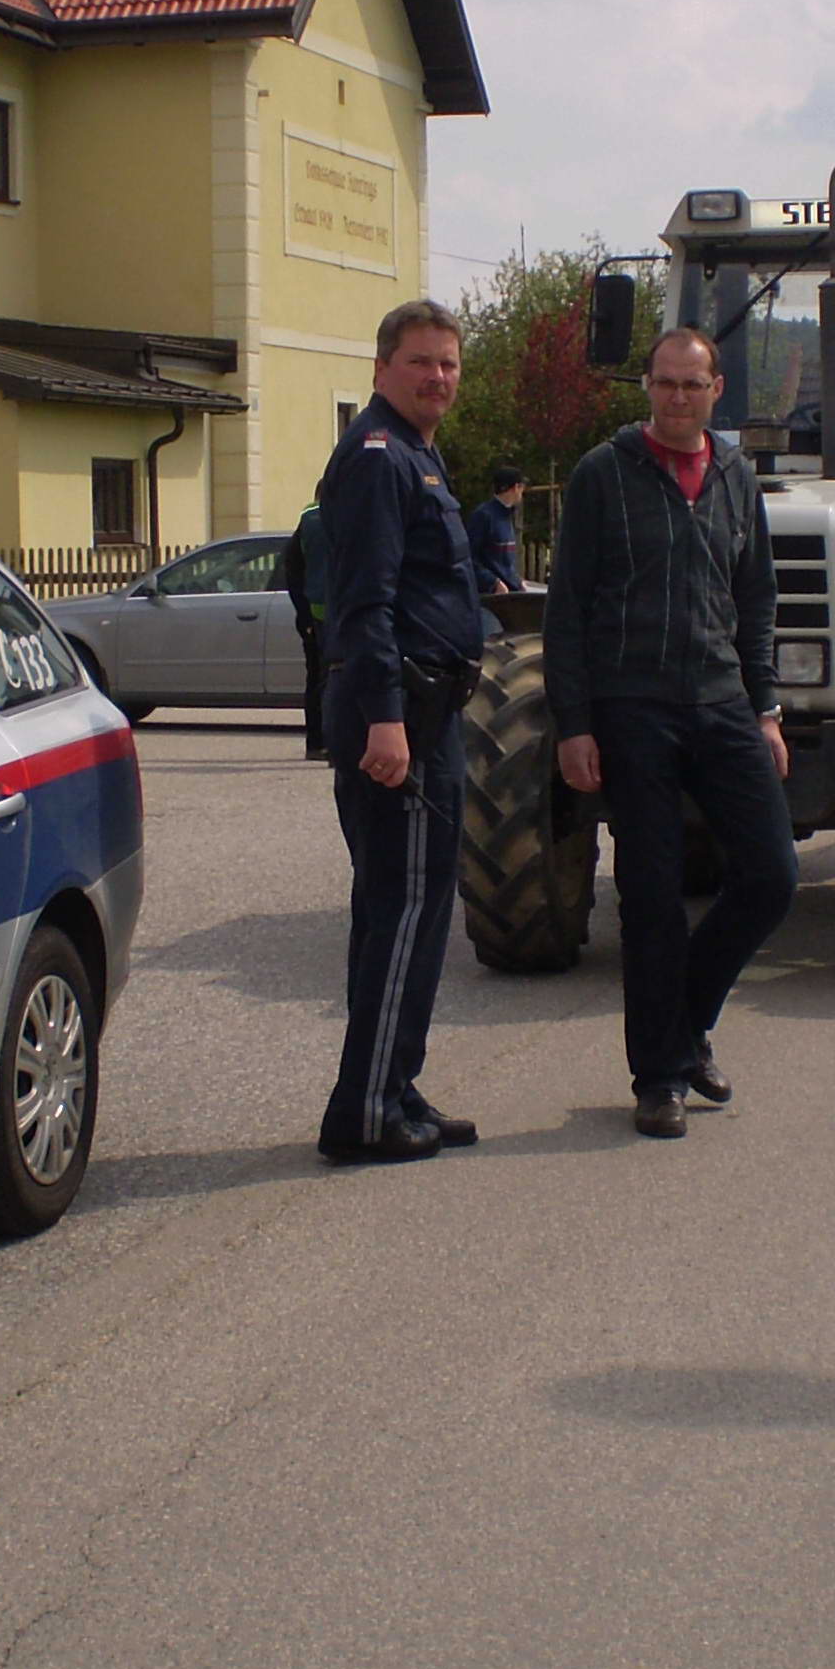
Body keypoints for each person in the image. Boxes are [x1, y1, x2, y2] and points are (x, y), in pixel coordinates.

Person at [546, 326, 798, 1139]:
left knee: (771, 873)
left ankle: (685, 1024)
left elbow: (755, 599)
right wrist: (574, 724)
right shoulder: (602, 476)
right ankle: (658, 1078)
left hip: (721, 701)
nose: (678, 397)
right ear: (647, 388)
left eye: (693, 385)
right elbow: (567, 612)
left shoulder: (734, 476)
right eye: (665, 384)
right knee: (651, 897)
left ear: (716, 390)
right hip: (633, 706)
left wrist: (765, 708)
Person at [312, 301, 484, 1164]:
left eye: (449, 364)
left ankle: (392, 1084)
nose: (438, 378)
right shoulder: (380, 459)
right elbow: (365, 605)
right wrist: (386, 720)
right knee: (405, 912)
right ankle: (367, 1110)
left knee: (403, 912)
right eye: (421, 362)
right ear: (383, 367)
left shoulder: (416, 451)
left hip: (427, 713)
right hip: (401, 718)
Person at [278, 500, 329, 760]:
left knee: (317, 679)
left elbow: (292, 569)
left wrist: (304, 614)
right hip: (343, 614)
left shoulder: (307, 522)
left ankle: (317, 743)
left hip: (314, 613)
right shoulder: (349, 514)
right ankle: (335, 742)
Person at [467, 466, 527, 599]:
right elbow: (469, 558)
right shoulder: (483, 516)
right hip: (492, 597)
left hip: (510, 593)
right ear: (516, 487)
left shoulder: (507, 515)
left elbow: (505, 562)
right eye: (522, 487)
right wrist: (493, 582)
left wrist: (517, 581)